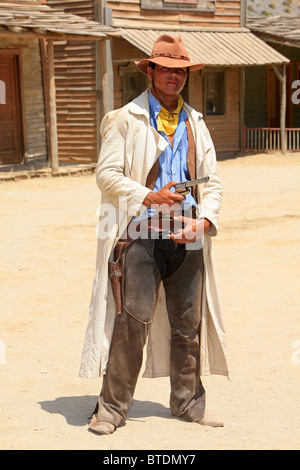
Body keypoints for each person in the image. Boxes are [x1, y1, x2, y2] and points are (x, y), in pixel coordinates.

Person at [79, 34, 229, 435]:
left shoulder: (196, 122)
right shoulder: (124, 119)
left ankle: (188, 405)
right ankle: (110, 410)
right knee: (132, 320)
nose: (174, 77)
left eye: (181, 71)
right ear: (151, 72)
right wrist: (148, 195)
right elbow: (106, 175)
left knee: (187, 323)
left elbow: (211, 183)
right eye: (166, 69)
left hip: (188, 234)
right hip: (141, 232)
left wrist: (205, 221)